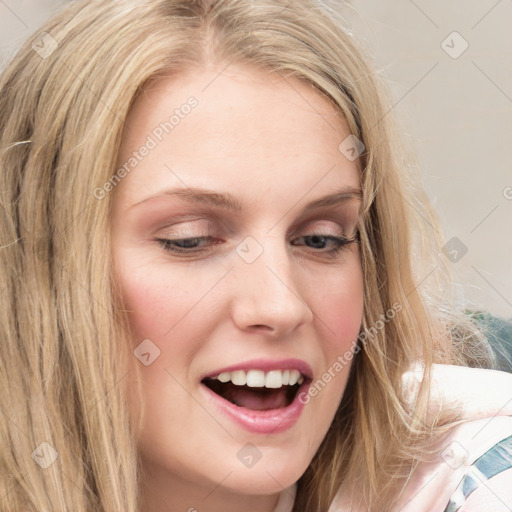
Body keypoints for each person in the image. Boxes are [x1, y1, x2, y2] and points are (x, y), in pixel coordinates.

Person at [0, 1, 510, 511]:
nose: (281, 305)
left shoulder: (476, 478)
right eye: (190, 238)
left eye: (320, 239)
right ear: (36, 270)